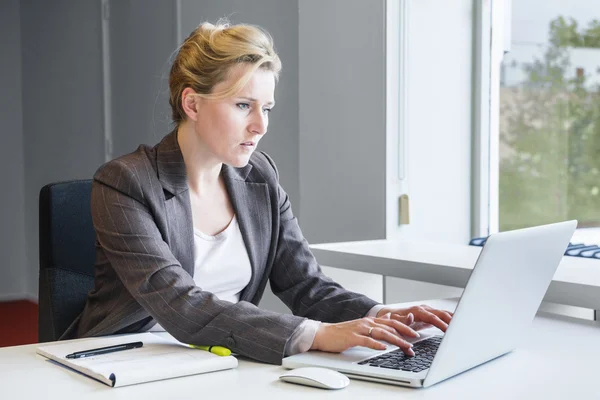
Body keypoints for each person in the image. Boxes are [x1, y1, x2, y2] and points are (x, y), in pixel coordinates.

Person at [62, 20, 452, 365]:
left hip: (224, 357)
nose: (259, 126)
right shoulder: (125, 182)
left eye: (266, 108)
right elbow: (179, 302)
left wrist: (380, 315)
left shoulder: (260, 177)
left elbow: (306, 284)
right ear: (192, 103)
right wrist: (315, 334)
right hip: (129, 361)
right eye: (244, 105)